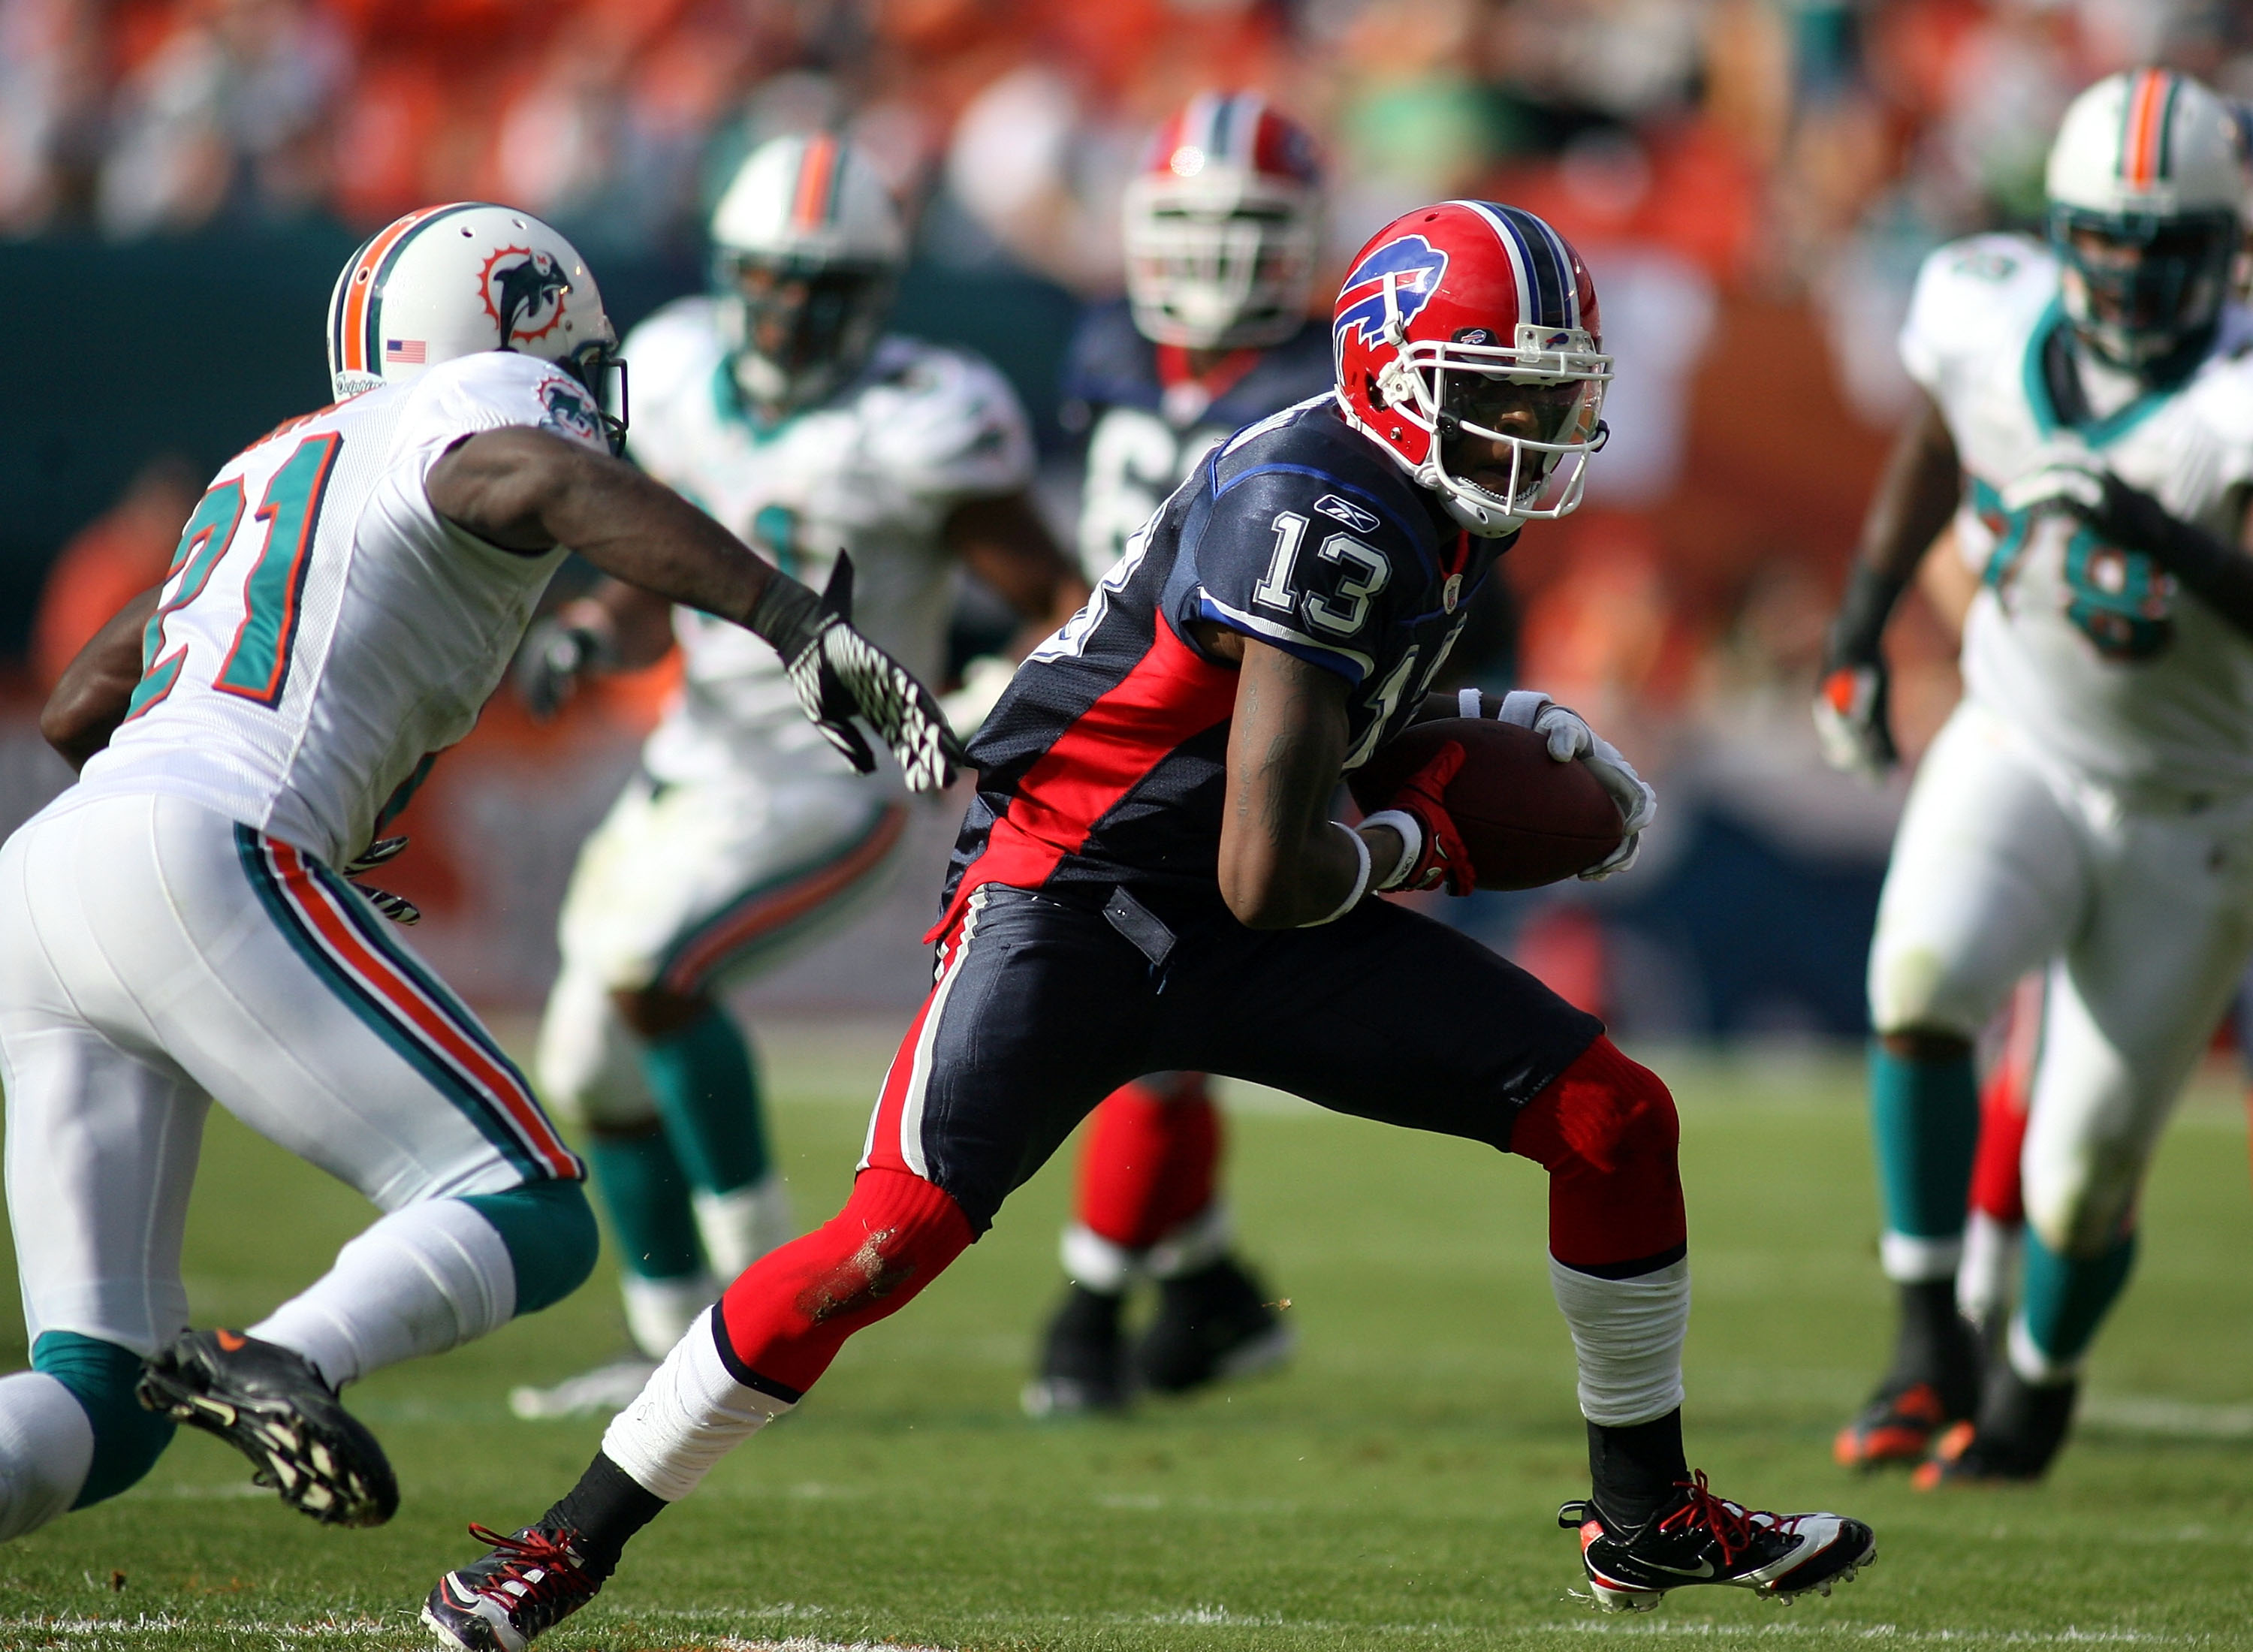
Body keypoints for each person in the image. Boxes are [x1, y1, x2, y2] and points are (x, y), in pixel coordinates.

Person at [422, 198, 1876, 1650]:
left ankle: (1648, 1517)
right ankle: (561, 1541)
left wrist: (1463, 726)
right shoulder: (1323, 505)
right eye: (1496, 389)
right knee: (889, 1238)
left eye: (1547, 393)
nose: (1529, 424)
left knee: (1612, 1118)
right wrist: (1432, 828)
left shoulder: (1415, 486)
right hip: (1075, 891)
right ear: (1388, 370)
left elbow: (1297, 750)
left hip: (1230, 877)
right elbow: (1267, 865)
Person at [0, 200, 960, 1543]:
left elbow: (76, 706)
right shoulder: (488, 407)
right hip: (198, 843)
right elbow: (547, 480)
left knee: (91, 1408)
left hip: (47, 881)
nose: (582, 397)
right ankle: (280, 1356)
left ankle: (231, 1368)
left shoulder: (278, 458)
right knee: (524, 1206)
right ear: (506, 330)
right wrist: (788, 619)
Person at [504, 132, 1085, 1421]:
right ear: (729, 273)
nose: (791, 308)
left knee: (661, 978)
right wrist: (599, 634)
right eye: (770, 278)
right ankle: (666, 1350)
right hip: (693, 763)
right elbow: (655, 576)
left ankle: (762, 1313)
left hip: (842, 782)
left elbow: (1057, 599)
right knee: (587, 1063)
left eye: (823, 285)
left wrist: (998, 707)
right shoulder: (668, 373)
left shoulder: (925, 415)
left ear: (873, 293)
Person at [1816, 68, 2253, 1484]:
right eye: (2109, 242)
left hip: (2195, 811)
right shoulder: (1984, 312)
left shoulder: (2238, 398)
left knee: (2081, 1182)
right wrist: (1858, 629)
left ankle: (2039, 1384)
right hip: (2018, 736)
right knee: (1921, 980)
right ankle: (1922, 1333)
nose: (2130, 275)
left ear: (2223, 249)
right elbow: (1939, 440)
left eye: (2165, 247)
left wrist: (2163, 534)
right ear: (2064, 234)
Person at [1026, 90, 1335, 1418]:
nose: (1213, 258)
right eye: (1189, 226)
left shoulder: (1324, 383)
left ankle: (1087, 1314)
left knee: (1147, 1023)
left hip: (1235, 729)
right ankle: (1208, 1287)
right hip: (1114, 716)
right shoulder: (1105, 347)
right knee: (1154, 1013)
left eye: (1247, 229)